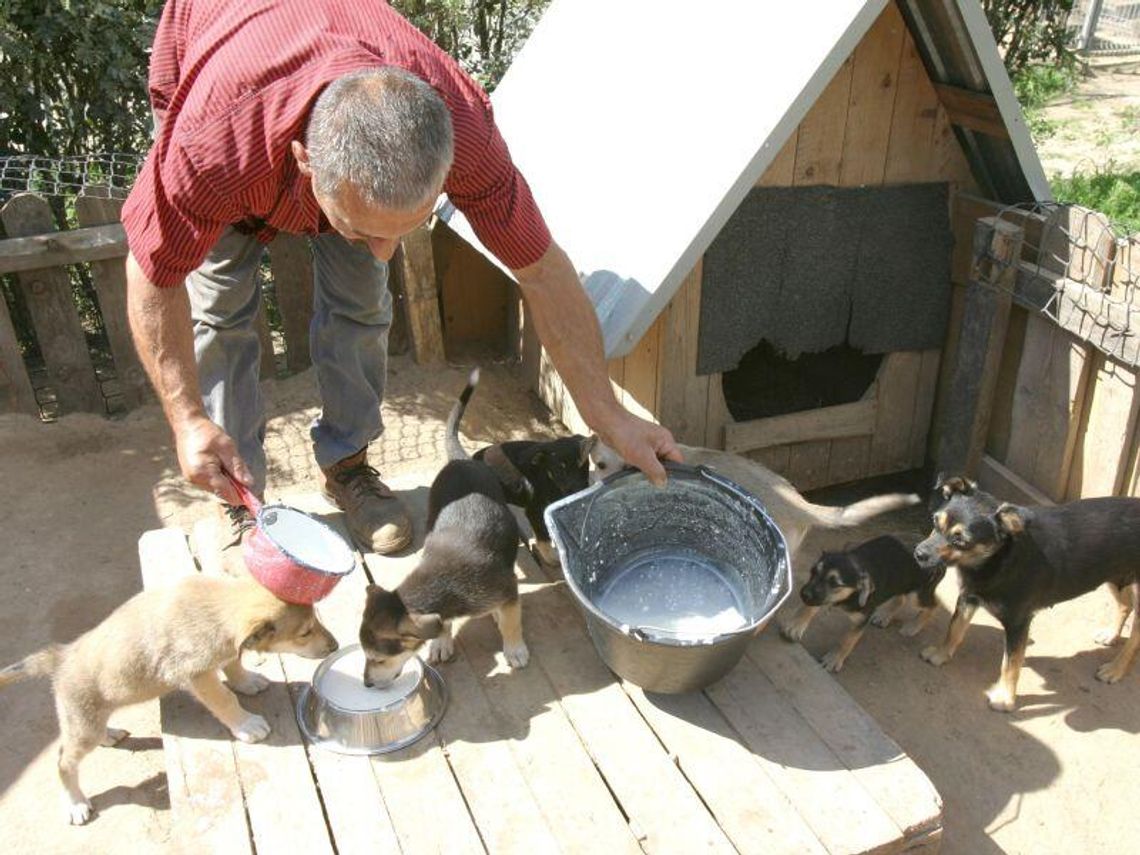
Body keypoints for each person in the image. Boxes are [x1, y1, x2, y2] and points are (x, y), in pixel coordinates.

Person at [123, 0, 680, 569]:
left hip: (318, 133)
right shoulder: (210, 142)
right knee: (218, 315)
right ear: (305, 162)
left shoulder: (462, 125)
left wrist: (607, 414)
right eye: (364, 229)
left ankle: (347, 467)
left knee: (364, 304)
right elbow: (152, 272)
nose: (387, 251)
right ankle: (241, 501)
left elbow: (542, 270)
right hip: (236, 107)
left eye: (406, 229)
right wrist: (188, 419)